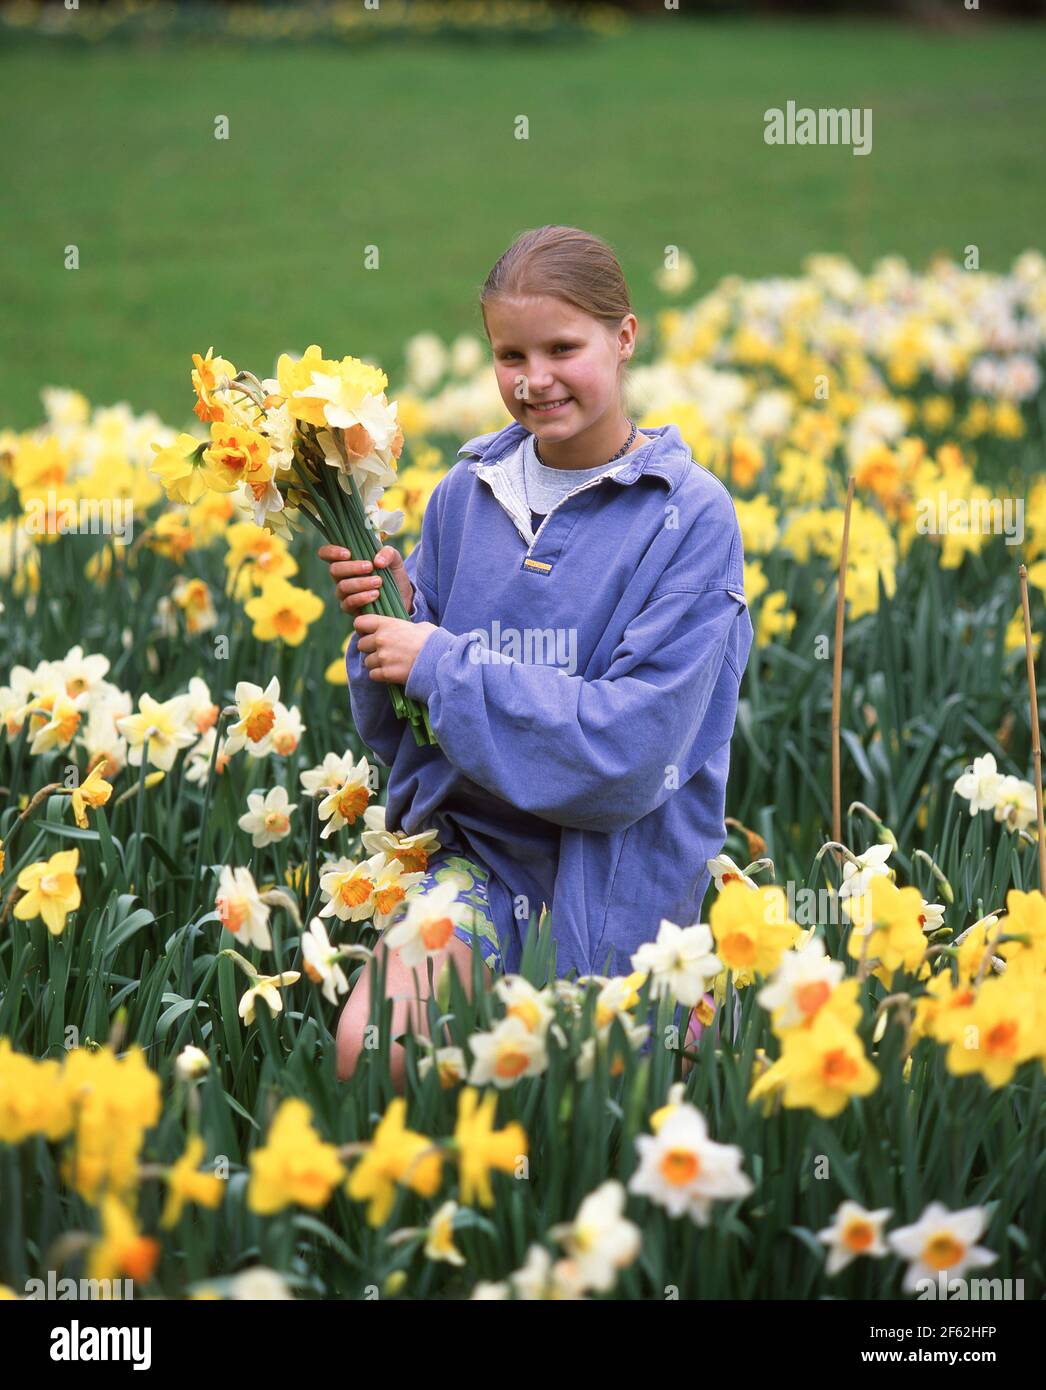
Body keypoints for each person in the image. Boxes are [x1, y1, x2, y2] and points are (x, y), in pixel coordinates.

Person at [319, 225, 753, 1087]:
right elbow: (400, 737)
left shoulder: (688, 517)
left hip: (627, 886)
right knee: (375, 1048)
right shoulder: (463, 497)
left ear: (624, 338)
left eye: (563, 347)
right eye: (509, 353)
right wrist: (387, 626)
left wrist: (439, 663)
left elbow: (629, 756)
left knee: (604, 1135)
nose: (534, 378)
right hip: (480, 865)